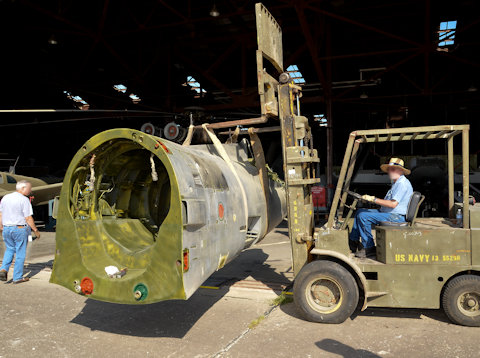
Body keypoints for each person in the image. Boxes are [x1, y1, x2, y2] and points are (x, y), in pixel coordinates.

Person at [350, 158, 413, 259]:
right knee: (360, 211)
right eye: (389, 169)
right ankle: (353, 241)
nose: (390, 171)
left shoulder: (402, 184)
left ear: (401, 171)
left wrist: (373, 199)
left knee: (363, 216)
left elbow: (393, 204)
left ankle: (368, 248)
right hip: (390, 213)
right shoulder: (396, 183)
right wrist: (369, 200)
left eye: (394, 169)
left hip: (397, 216)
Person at [0, 180, 41, 283]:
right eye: (29, 189)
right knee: (20, 253)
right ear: (22, 188)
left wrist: (1, 226)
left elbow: (1, 214)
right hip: (19, 228)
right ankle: (17, 277)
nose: (30, 191)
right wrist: (35, 230)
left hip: (6, 228)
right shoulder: (24, 200)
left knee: (9, 249)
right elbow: (28, 217)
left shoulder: (5, 198)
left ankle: (3, 269)